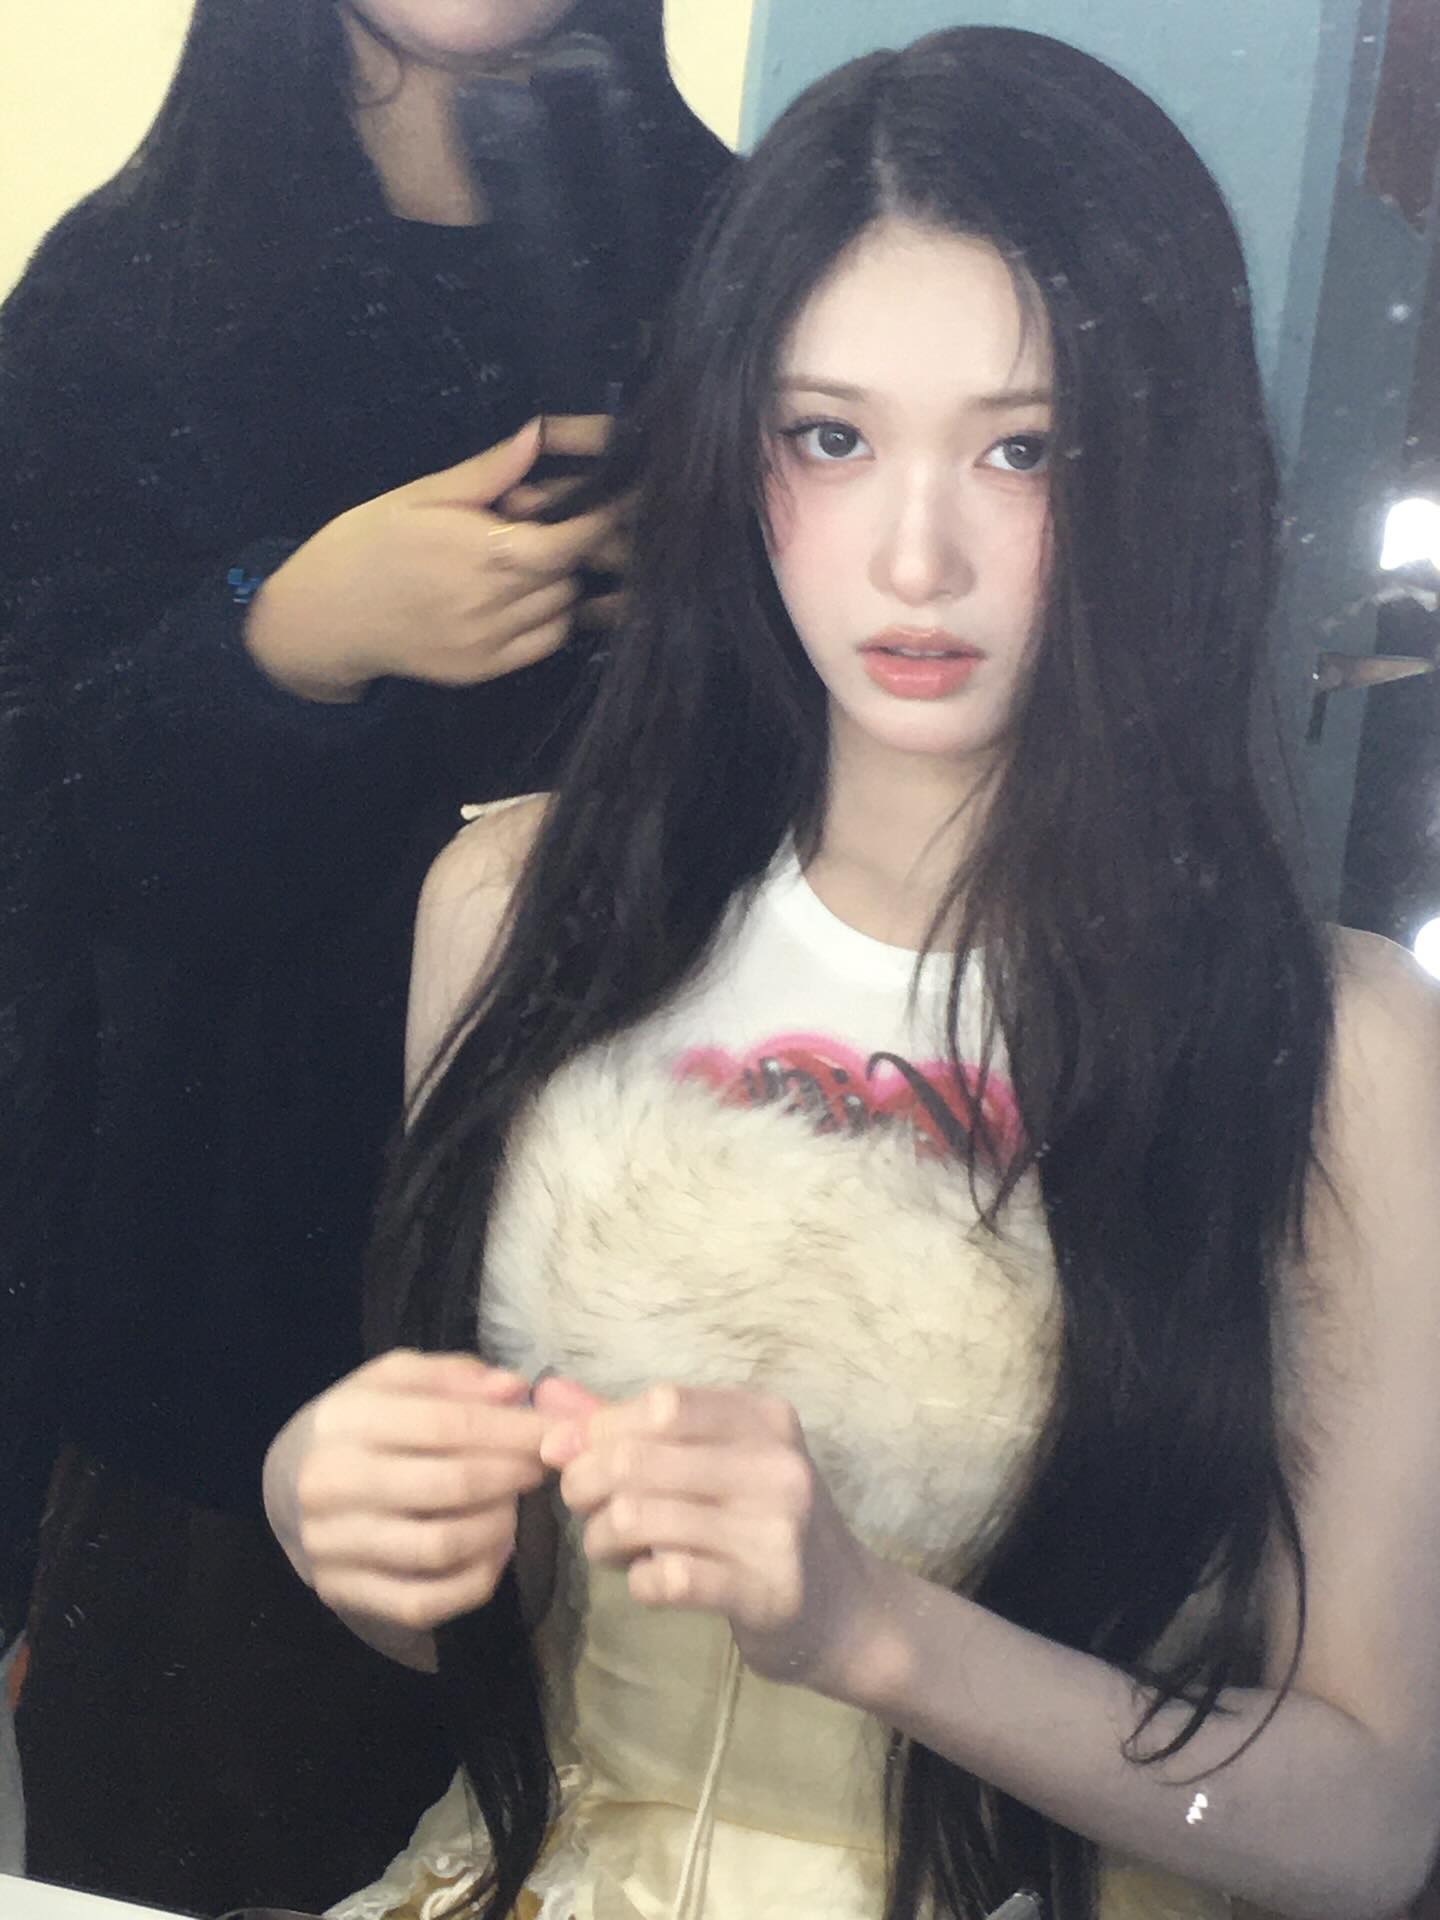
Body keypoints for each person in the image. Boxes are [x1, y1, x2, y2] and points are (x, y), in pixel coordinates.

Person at [262, 26, 1440, 1920]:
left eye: (1022, 448)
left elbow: (1371, 1825)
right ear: (740, 453)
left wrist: (875, 1632)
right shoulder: (513, 909)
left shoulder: (1340, 1047)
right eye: (831, 436)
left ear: (1163, 465)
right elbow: (472, 1614)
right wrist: (334, 1510)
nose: (915, 558)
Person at [0, 0, 728, 1910]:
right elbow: (43, 818)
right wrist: (286, 638)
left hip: (673, 1301)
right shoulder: (129, 286)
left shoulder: (749, 253)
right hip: (224, 1319)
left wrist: (724, 580)